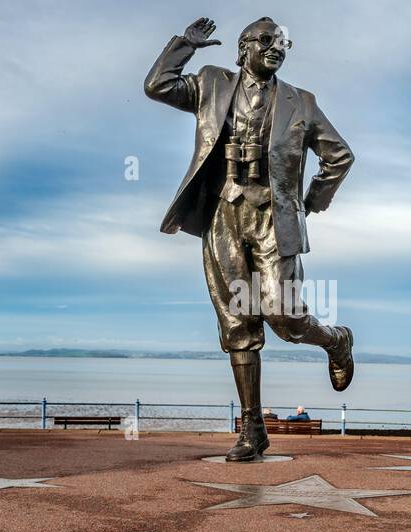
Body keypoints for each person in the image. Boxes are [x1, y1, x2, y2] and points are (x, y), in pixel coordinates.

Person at [145, 17, 355, 462]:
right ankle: (253, 429)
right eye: (267, 40)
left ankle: (336, 340)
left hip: (274, 220)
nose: (276, 47)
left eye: (283, 42)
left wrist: (311, 201)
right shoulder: (211, 84)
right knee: (237, 325)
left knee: (285, 317)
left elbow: (339, 156)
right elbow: (157, 86)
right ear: (243, 48)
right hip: (223, 215)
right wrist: (185, 45)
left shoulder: (302, 103)